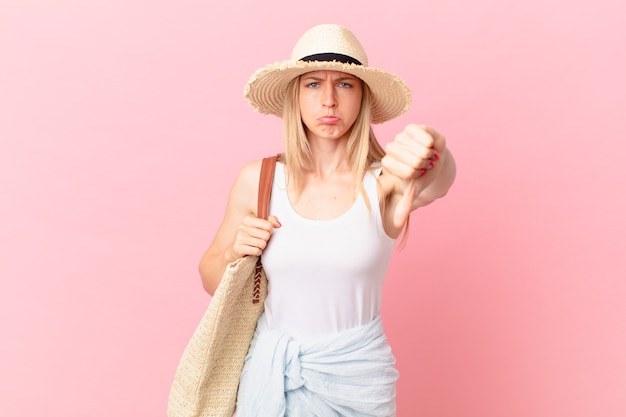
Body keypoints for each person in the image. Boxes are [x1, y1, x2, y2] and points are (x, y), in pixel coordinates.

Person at [198, 23, 456, 416]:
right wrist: (235, 251)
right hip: (270, 383)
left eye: (346, 84)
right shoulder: (261, 180)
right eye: (313, 84)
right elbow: (210, 275)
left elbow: (438, 182)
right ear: (295, 97)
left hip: (357, 385)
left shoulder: (384, 182)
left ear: (363, 97)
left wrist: (432, 145)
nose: (330, 101)